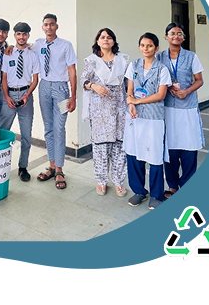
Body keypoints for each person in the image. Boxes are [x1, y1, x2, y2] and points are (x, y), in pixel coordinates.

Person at [123, 32, 171, 210]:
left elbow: (161, 94)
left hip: (153, 118)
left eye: (150, 45)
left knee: (154, 155)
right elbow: (130, 90)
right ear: (139, 47)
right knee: (134, 153)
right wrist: (131, 103)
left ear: (156, 48)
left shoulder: (162, 69)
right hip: (135, 117)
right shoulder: (133, 65)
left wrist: (137, 101)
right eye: (142, 45)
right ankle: (139, 191)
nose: (146, 48)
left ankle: (157, 195)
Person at [157, 22, 205, 198]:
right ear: (166, 37)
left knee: (189, 146)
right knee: (170, 146)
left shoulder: (191, 56)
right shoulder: (160, 57)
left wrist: (186, 91)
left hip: (187, 108)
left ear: (183, 38)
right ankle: (172, 185)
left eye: (179, 34)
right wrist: (167, 86)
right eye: (172, 33)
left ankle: (188, 184)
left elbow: (199, 80)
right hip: (167, 108)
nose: (176, 36)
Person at [80, 28, 129, 197]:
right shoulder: (92, 61)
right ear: (98, 41)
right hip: (99, 109)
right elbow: (84, 80)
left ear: (113, 41)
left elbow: (129, 83)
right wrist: (93, 86)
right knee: (101, 147)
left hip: (119, 108)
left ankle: (118, 181)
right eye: (102, 37)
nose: (106, 39)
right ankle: (101, 180)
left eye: (109, 37)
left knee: (119, 146)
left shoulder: (122, 60)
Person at [34, 13, 77, 189]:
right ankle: (51, 166)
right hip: (44, 87)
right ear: (42, 27)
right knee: (48, 128)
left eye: (52, 24)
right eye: (46, 24)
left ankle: (59, 169)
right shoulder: (38, 44)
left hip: (61, 90)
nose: (49, 27)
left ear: (56, 26)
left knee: (59, 128)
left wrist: (73, 96)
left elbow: (72, 70)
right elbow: (25, 49)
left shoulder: (66, 45)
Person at [0, 22, 40, 181]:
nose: (21, 37)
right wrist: (6, 96)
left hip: (25, 95)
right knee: (2, 131)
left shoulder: (32, 54)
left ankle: (23, 167)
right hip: (9, 94)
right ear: (14, 35)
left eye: (24, 34)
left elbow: (35, 79)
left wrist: (27, 95)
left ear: (28, 35)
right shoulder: (8, 53)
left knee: (26, 134)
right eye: (18, 34)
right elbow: (4, 78)